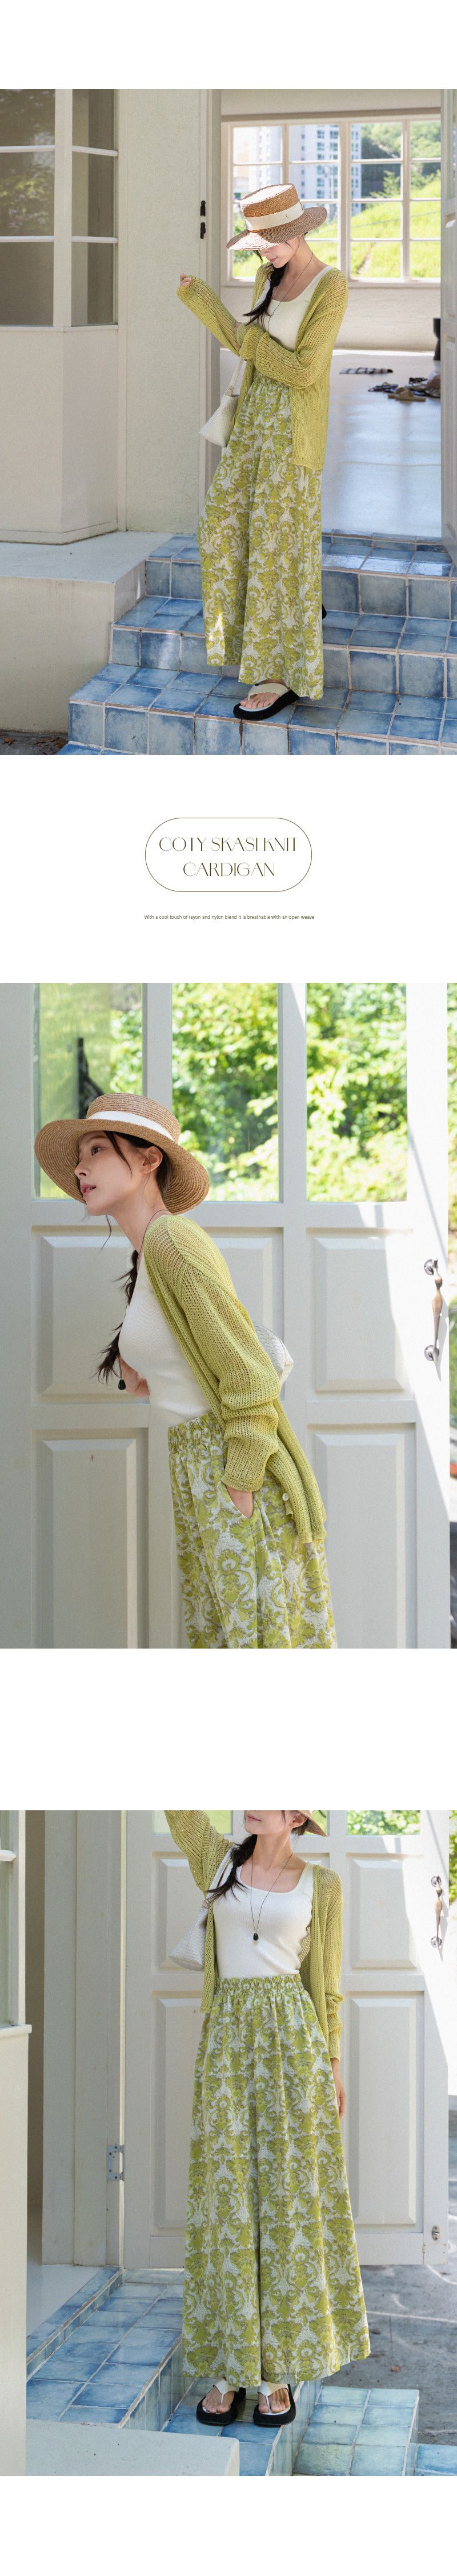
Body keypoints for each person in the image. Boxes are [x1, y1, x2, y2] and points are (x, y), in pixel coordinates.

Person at [34, 1090, 336, 1651]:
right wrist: (143, 1375)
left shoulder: (172, 1240)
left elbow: (249, 1371)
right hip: (199, 1465)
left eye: (96, 1150)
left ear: (149, 1159)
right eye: (79, 1156)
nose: (80, 1167)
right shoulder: (150, 1251)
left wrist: (239, 1481)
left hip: (232, 1468)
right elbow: (194, 1362)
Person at [166, 1809, 370, 2424]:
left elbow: (326, 1986)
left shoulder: (323, 1885)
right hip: (227, 2043)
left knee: (286, 2203)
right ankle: (230, 2366)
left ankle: (277, 2369)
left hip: (294, 2047)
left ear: (299, 1813)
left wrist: (333, 2064)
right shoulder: (219, 1860)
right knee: (227, 2201)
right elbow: (178, 1809)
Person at [178, 182, 348, 722]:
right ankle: (279, 616)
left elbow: (304, 371)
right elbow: (245, 345)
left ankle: (278, 674)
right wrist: (206, 303)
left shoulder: (331, 286)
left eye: (269, 243)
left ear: (297, 233)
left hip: (293, 431)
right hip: (253, 421)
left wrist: (249, 340)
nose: (263, 253)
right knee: (220, 525)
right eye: (256, 244)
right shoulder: (267, 277)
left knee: (278, 544)